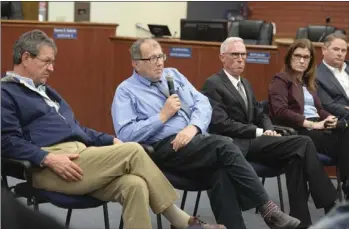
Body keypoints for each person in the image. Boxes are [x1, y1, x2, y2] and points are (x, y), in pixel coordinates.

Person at [1, 30, 224, 229]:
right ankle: (182, 221)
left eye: (53, 61)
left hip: (81, 155)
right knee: (134, 150)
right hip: (51, 165)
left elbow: (77, 129)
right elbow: (7, 141)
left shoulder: (46, 92)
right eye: (46, 61)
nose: (52, 67)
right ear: (26, 58)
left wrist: (111, 140)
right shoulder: (6, 92)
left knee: (134, 185)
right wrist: (47, 158)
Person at [111, 37, 301, 229]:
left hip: (195, 140)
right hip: (163, 148)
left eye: (161, 56)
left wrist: (193, 127)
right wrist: (161, 116)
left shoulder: (173, 74)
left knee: (221, 171)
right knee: (225, 145)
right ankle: (268, 210)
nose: (160, 62)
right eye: (152, 58)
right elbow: (126, 134)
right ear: (135, 63)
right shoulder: (126, 91)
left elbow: (202, 103)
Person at [200, 37, 338, 229]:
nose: (240, 59)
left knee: (296, 157)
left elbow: (260, 112)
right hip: (236, 144)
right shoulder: (213, 84)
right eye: (235, 55)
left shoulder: (245, 83)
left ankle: (301, 222)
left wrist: (270, 130)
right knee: (303, 142)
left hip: (258, 140)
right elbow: (221, 124)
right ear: (222, 57)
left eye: (243, 55)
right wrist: (258, 131)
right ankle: (331, 205)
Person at [268, 38, 349, 202]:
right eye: (298, 56)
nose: (302, 60)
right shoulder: (281, 80)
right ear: (289, 57)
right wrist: (312, 123)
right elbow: (281, 111)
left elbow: (320, 109)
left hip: (318, 129)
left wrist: (329, 118)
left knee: (344, 130)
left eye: (306, 57)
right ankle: (341, 190)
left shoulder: (307, 82)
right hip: (299, 129)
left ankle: (342, 188)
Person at [316, 33, 349, 121]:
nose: (340, 54)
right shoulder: (316, 75)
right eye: (336, 49)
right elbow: (328, 105)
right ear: (324, 50)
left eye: (343, 50)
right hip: (341, 121)